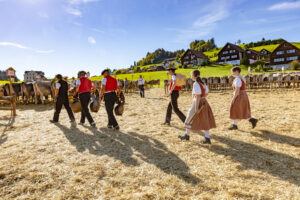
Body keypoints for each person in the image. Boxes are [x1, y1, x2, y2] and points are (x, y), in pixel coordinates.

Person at [178, 70, 216, 144]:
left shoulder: (196, 84)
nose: (190, 76)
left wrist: (196, 108)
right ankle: (207, 138)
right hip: (204, 102)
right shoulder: (203, 83)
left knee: (189, 118)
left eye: (191, 75)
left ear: (193, 75)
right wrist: (202, 98)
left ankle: (187, 135)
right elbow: (206, 93)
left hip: (198, 103)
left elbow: (198, 96)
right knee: (205, 119)